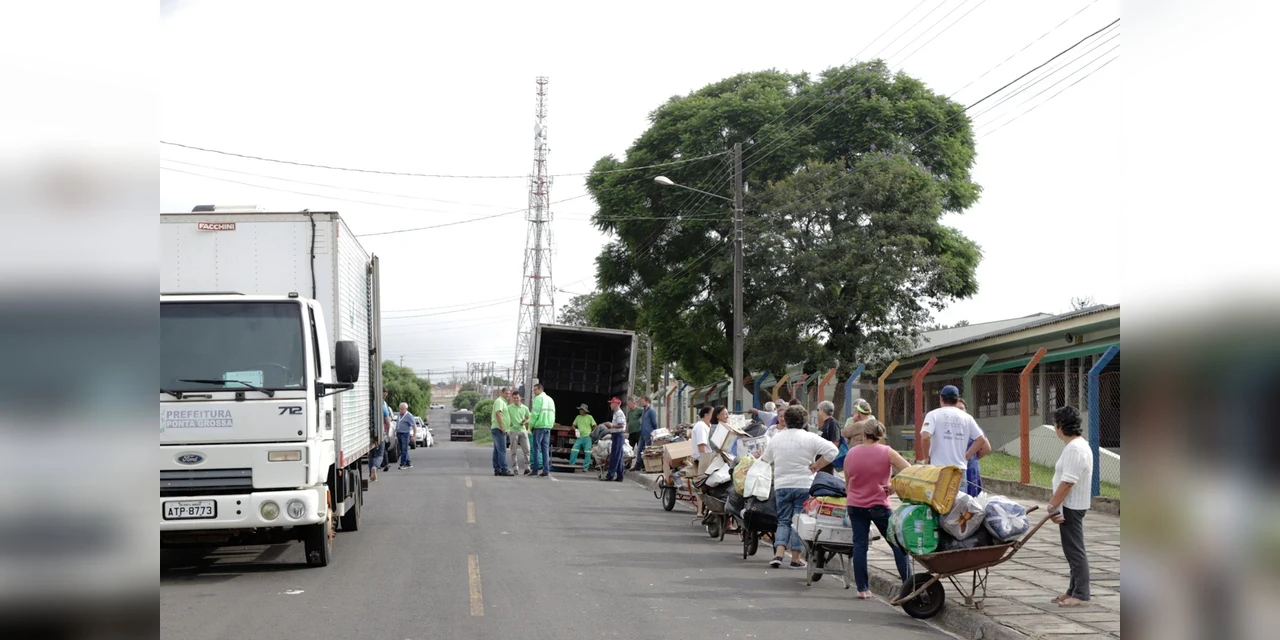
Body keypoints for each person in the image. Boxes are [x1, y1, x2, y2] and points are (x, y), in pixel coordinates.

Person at [760, 404, 838, 570]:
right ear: (804, 421)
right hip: (804, 484)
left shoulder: (776, 438)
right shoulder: (810, 437)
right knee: (798, 521)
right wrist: (818, 465)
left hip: (781, 485)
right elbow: (833, 451)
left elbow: (765, 459)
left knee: (783, 520)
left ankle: (778, 554)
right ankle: (795, 558)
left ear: (786, 420)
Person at [844, 418, 912, 600]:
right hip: (879, 505)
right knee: (897, 544)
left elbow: (848, 482)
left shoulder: (851, 453)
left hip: (855, 505)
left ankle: (862, 589)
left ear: (863, 434)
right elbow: (909, 471)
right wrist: (893, 486)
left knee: (860, 546)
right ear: (880, 435)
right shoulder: (887, 452)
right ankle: (909, 584)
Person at [1048, 405, 1093, 608]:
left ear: (1059, 426)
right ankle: (1073, 590)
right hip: (1070, 505)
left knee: (1074, 550)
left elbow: (1067, 482)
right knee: (1070, 549)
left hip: (1071, 506)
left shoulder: (1075, 448)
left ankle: (1081, 594)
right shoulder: (1075, 446)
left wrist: (1052, 505)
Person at [920, 385, 990, 470]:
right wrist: (967, 456)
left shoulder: (933, 415)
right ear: (957, 400)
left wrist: (926, 458)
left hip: (938, 467)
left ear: (941, 398)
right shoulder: (967, 417)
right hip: (959, 468)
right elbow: (981, 439)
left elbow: (925, 437)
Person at [956, 398, 983, 496]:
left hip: (970, 467)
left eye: (961, 408)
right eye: (956, 409)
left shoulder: (971, 425)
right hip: (955, 468)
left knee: (970, 496)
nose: (959, 411)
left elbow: (986, 447)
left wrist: (969, 457)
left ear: (966, 410)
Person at [529, 383, 556, 477]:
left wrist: (531, 426)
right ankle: (546, 470)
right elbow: (553, 414)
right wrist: (550, 425)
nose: (534, 392)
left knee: (536, 448)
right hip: (548, 427)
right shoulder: (550, 399)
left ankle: (535, 470)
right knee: (545, 449)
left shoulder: (538, 398)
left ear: (540, 389)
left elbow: (534, 414)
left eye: (535, 390)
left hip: (539, 426)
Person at [602, 397, 628, 482]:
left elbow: (621, 425)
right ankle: (620, 476)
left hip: (618, 435)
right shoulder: (616, 413)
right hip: (617, 435)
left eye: (611, 403)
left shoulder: (619, 413)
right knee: (619, 457)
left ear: (616, 404)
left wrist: (611, 426)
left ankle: (610, 475)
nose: (610, 405)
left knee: (614, 456)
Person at [506, 391, 532, 476]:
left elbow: (529, 417)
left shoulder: (525, 408)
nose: (516, 399)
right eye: (514, 398)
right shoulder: (509, 408)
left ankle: (527, 467)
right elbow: (505, 417)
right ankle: (515, 468)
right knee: (513, 451)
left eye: (517, 398)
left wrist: (525, 421)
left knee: (527, 450)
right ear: (512, 399)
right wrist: (508, 424)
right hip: (513, 431)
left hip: (523, 430)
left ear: (520, 398)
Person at [632, 396, 659, 471]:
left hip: (648, 433)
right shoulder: (644, 410)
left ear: (647, 401)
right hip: (642, 433)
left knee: (647, 450)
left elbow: (654, 423)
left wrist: (653, 431)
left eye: (643, 401)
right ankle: (638, 465)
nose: (641, 403)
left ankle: (646, 466)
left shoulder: (651, 411)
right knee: (640, 449)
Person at [491, 388, 512, 477]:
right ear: (502, 393)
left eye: (509, 394)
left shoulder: (503, 402)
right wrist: (502, 427)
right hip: (499, 429)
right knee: (502, 450)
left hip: (499, 429)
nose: (508, 395)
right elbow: (498, 414)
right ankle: (504, 469)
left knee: (497, 450)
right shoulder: (500, 401)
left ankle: (497, 469)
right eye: (506, 393)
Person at [568, 404, 596, 472]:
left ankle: (585, 467)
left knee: (587, 452)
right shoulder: (578, 417)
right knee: (574, 450)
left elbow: (595, 425)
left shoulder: (590, 417)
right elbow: (573, 425)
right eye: (580, 409)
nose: (580, 411)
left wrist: (592, 432)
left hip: (587, 437)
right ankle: (571, 465)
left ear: (585, 411)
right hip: (580, 437)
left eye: (581, 409)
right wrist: (576, 430)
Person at [816, 400, 841, 474]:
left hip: (826, 460)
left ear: (822, 410)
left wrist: (828, 457)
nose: (818, 412)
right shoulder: (825, 424)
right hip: (821, 459)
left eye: (818, 410)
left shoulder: (832, 423)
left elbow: (836, 441)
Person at [394, 402, 415, 470]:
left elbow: (414, 426)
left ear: (406, 409)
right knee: (402, 449)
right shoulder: (399, 415)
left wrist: (414, 436)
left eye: (402, 409)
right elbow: (397, 424)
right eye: (400, 409)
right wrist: (395, 432)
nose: (400, 410)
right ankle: (408, 463)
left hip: (405, 434)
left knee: (404, 450)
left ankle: (402, 464)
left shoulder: (409, 416)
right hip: (399, 433)